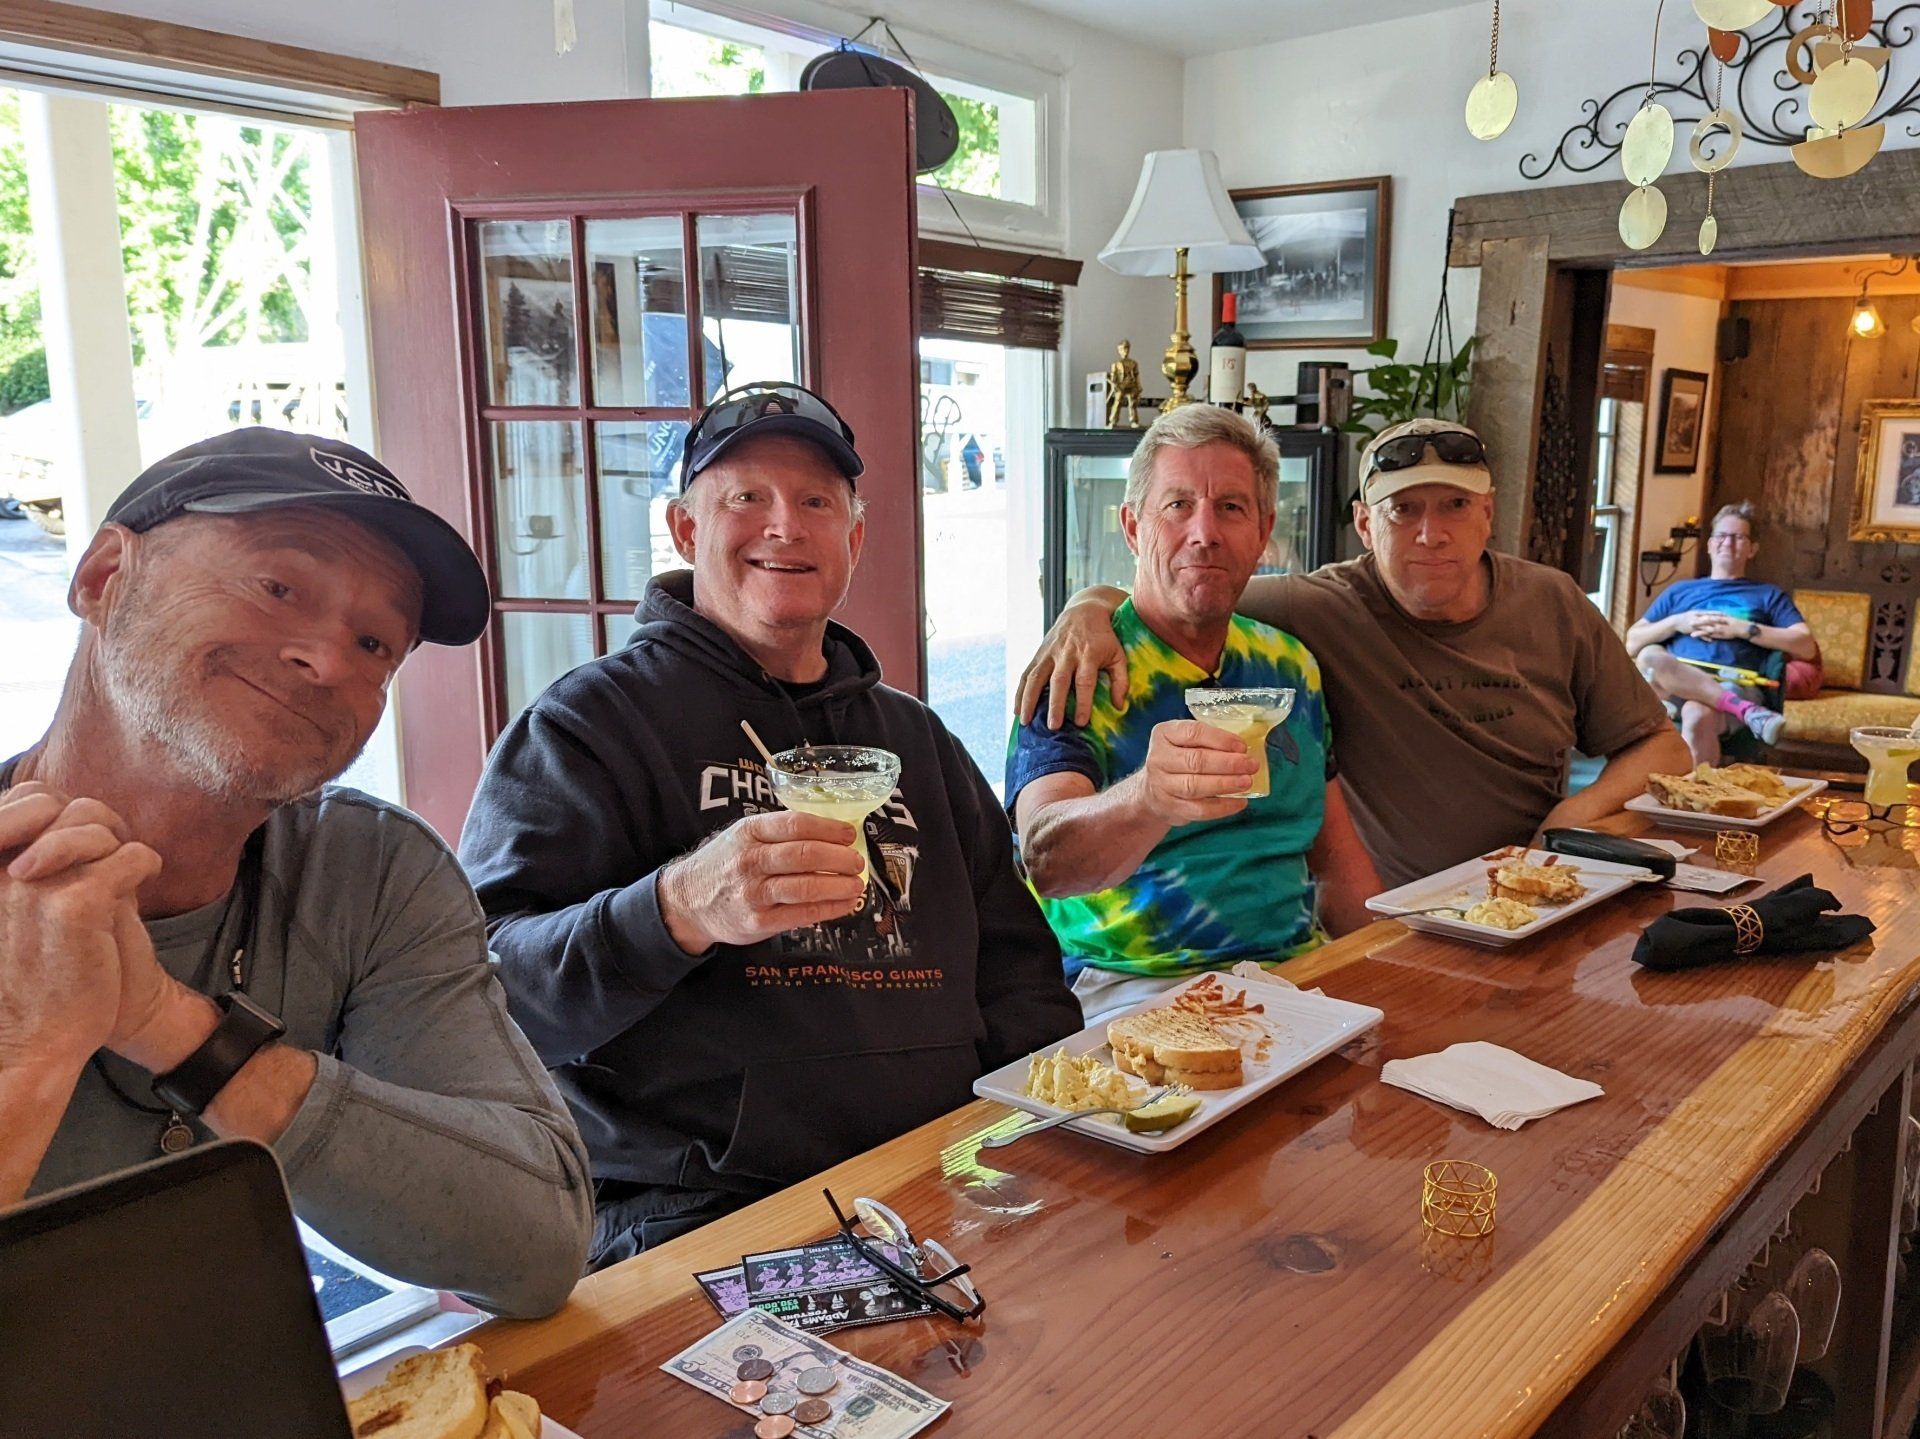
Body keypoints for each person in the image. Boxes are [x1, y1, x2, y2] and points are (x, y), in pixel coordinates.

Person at [460, 382, 1080, 1268]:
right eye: (745, 497)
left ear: (854, 540)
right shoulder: (587, 727)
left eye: (816, 502)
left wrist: (1040, 1133)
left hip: (942, 1172)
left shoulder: (916, 740)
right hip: (705, 1209)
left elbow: (1019, 970)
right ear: (684, 530)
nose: (784, 525)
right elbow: (488, 998)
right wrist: (678, 908)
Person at [0, 429, 592, 1317]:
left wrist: (176, 1030)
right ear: (101, 578)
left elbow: (535, 1247)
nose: (326, 659)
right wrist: (32, 1053)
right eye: (278, 586)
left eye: (375, 643)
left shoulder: (367, 871)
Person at [1019, 417, 1691, 889]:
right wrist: (1088, 605)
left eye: (1455, 505)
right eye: (1403, 511)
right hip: (1403, 912)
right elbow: (1186, 595)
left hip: (1540, 887)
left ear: (1488, 514)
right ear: (1365, 526)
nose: (1432, 533)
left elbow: (1666, 748)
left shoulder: (1550, 602)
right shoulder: (1318, 610)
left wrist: (1563, 825)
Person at [1007, 407, 1379, 1024]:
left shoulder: (1291, 664)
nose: (1204, 532)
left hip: (1295, 974)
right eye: (1177, 505)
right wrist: (1150, 799)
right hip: (1131, 987)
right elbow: (1047, 860)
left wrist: (1395, 966)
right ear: (1133, 527)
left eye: (1230, 508)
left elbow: (1337, 864)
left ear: (1263, 532)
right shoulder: (1079, 667)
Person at [1626, 502, 1816, 766]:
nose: (1728, 543)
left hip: (1735, 682)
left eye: (1739, 537)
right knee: (1649, 655)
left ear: (1752, 549)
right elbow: (1632, 642)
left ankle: (1693, 803)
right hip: (1677, 682)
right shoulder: (1680, 591)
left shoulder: (1768, 595)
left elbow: (1806, 646)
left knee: (1697, 712)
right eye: (1722, 536)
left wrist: (1745, 629)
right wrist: (1677, 622)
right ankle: (1746, 711)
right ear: (1710, 545)